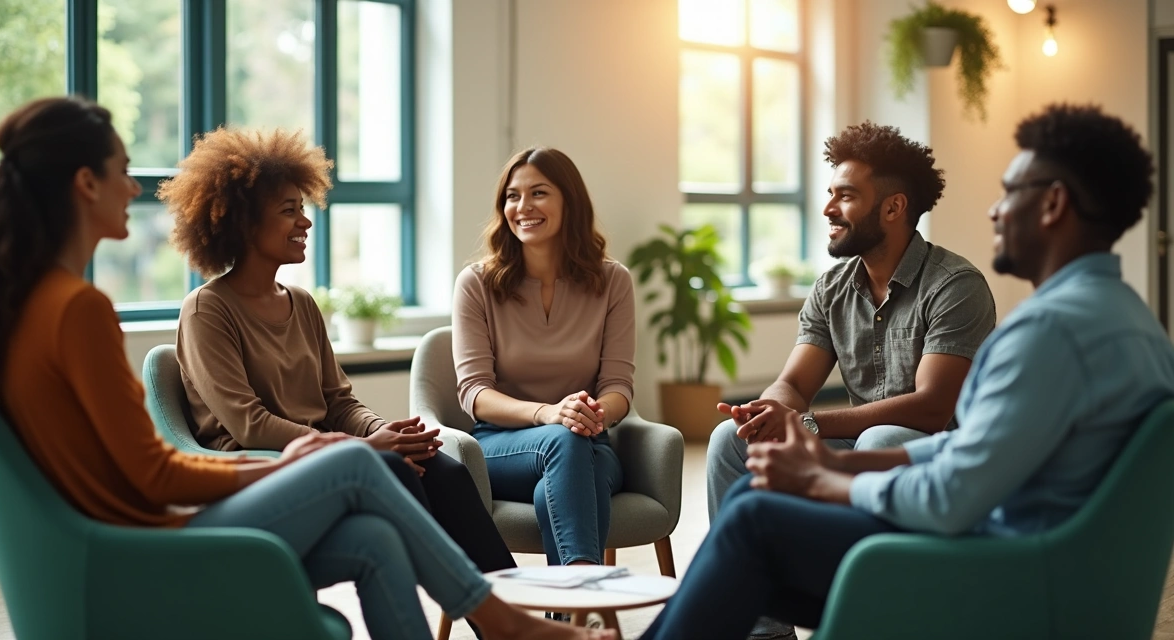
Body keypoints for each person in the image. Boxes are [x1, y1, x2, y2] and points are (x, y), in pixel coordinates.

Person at [0, 96, 612, 640]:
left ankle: (502, 613)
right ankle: (504, 619)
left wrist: (344, 440)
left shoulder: (32, 302)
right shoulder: (82, 310)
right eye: (124, 172)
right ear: (85, 183)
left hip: (119, 539)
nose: (135, 188)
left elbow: (335, 400)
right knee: (358, 462)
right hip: (139, 548)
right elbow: (154, 474)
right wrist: (308, 458)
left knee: (376, 536)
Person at [640, 104, 1174, 640]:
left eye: (1010, 192)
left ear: (1053, 204)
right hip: (1047, 564)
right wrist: (833, 462)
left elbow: (950, 492)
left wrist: (827, 480)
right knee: (750, 520)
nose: (994, 210)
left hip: (1004, 575)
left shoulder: (1046, 331)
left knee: (754, 522)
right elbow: (977, 452)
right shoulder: (1127, 320)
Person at [157, 128, 517, 600]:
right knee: (401, 472)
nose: (305, 223)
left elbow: (338, 401)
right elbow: (249, 424)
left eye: (302, 208)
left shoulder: (302, 304)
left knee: (443, 468)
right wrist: (361, 447)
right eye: (289, 210)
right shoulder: (207, 310)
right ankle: (493, 613)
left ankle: (510, 611)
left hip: (329, 453)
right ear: (245, 223)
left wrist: (385, 432)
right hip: (264, 466)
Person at [707, 122, 996, 519]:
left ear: (893, 208)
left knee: (880, 439)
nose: (828, 208)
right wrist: (767, 414)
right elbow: (793, 383)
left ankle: (859, 574)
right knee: (730, 439)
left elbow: (933, 408)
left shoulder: (955, 286)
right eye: (830, 194)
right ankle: (751, 571)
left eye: (846, 196)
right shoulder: (831, 288)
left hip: (938, 454)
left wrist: (807, 423)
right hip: (857, 444)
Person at [452, 146, 633, 568]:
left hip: (590, 442)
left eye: (538, 193)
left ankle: (564, 622)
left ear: (569, 201)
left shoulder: (612, 281)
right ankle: (585, 603)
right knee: (563, 441)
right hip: (500, 445)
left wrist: (587, 414)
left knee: (557, 478)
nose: (522, 207)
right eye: (512, 196)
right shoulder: (476, 284)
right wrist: (549, 414)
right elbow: (474, 393)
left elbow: (619, 387)